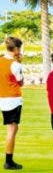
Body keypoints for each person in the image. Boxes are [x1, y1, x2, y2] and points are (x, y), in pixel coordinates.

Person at [0, 37, 23, 170]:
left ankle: (9, 160)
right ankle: (8, 161)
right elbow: (21, 82)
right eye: (19, 48)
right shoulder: (15, 64)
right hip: (13, 99)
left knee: (13, 128)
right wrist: (19, 63)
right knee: (12, 129)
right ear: (16, 49)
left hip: (2, 98)